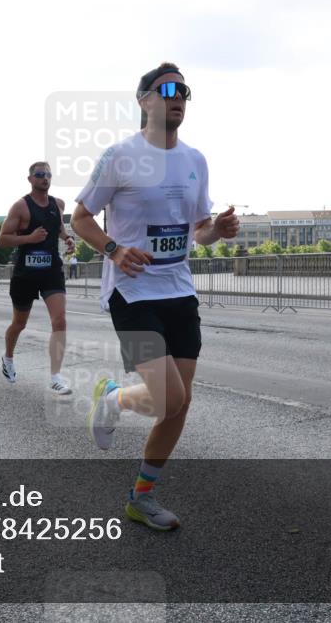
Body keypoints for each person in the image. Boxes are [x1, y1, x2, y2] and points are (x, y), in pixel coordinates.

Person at [71, 62, 239, 531]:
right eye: (167, 89)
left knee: (179, 403)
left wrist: (217, 231)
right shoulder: (120, 156)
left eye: (184, 90)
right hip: (132, 293)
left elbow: (199, 230)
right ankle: (115, 400)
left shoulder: (195, 160)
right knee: (168, 398)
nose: (177, 96)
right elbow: (81, 217)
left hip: (179, 290)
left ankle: (140, 497)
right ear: (144, 100)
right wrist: (114, 249)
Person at [0, 161, 76, 395]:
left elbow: (59, 228)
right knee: (19, 323)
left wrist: (67, 239)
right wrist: (29, 239)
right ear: (30, 179)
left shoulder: (58, 204)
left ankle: (55, 377)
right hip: (26, 274)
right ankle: (8, 358)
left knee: (60, 321)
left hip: (51, 271)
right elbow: (3, 239)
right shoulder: (21, 207)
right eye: (40, 174)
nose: (45, 178)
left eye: (48, 174)